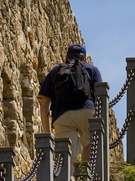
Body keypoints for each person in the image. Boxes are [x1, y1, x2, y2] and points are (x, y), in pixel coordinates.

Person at [38, 44, 103, 172]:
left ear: (67, 57)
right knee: (89, 145)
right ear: (84, 59)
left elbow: (44, 102)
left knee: (66, 151)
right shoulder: (92, 69)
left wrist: (47, 132)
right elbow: (100, 97)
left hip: (62, 115)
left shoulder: (56, 70)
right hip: (87, 111)